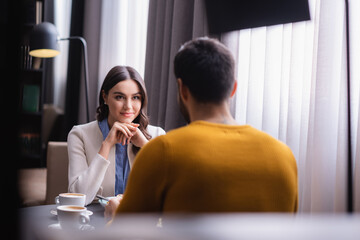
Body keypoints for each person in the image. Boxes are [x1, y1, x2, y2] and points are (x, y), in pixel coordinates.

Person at [105, 38, 297, 220]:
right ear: (233, 89)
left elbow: (127, 233)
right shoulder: (284, 155)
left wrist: (114, 215)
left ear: (182, 90)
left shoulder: (164, 150)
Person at [67, 65, 166, 205]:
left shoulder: (157, 135)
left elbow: (169, 190)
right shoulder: (79, 135)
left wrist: (145, 145)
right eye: (120, 97)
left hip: (142, 220)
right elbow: (77, 198)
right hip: (94, 221)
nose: (128, 106)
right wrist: (106, 145)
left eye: (136, 97)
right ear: (105, 97)